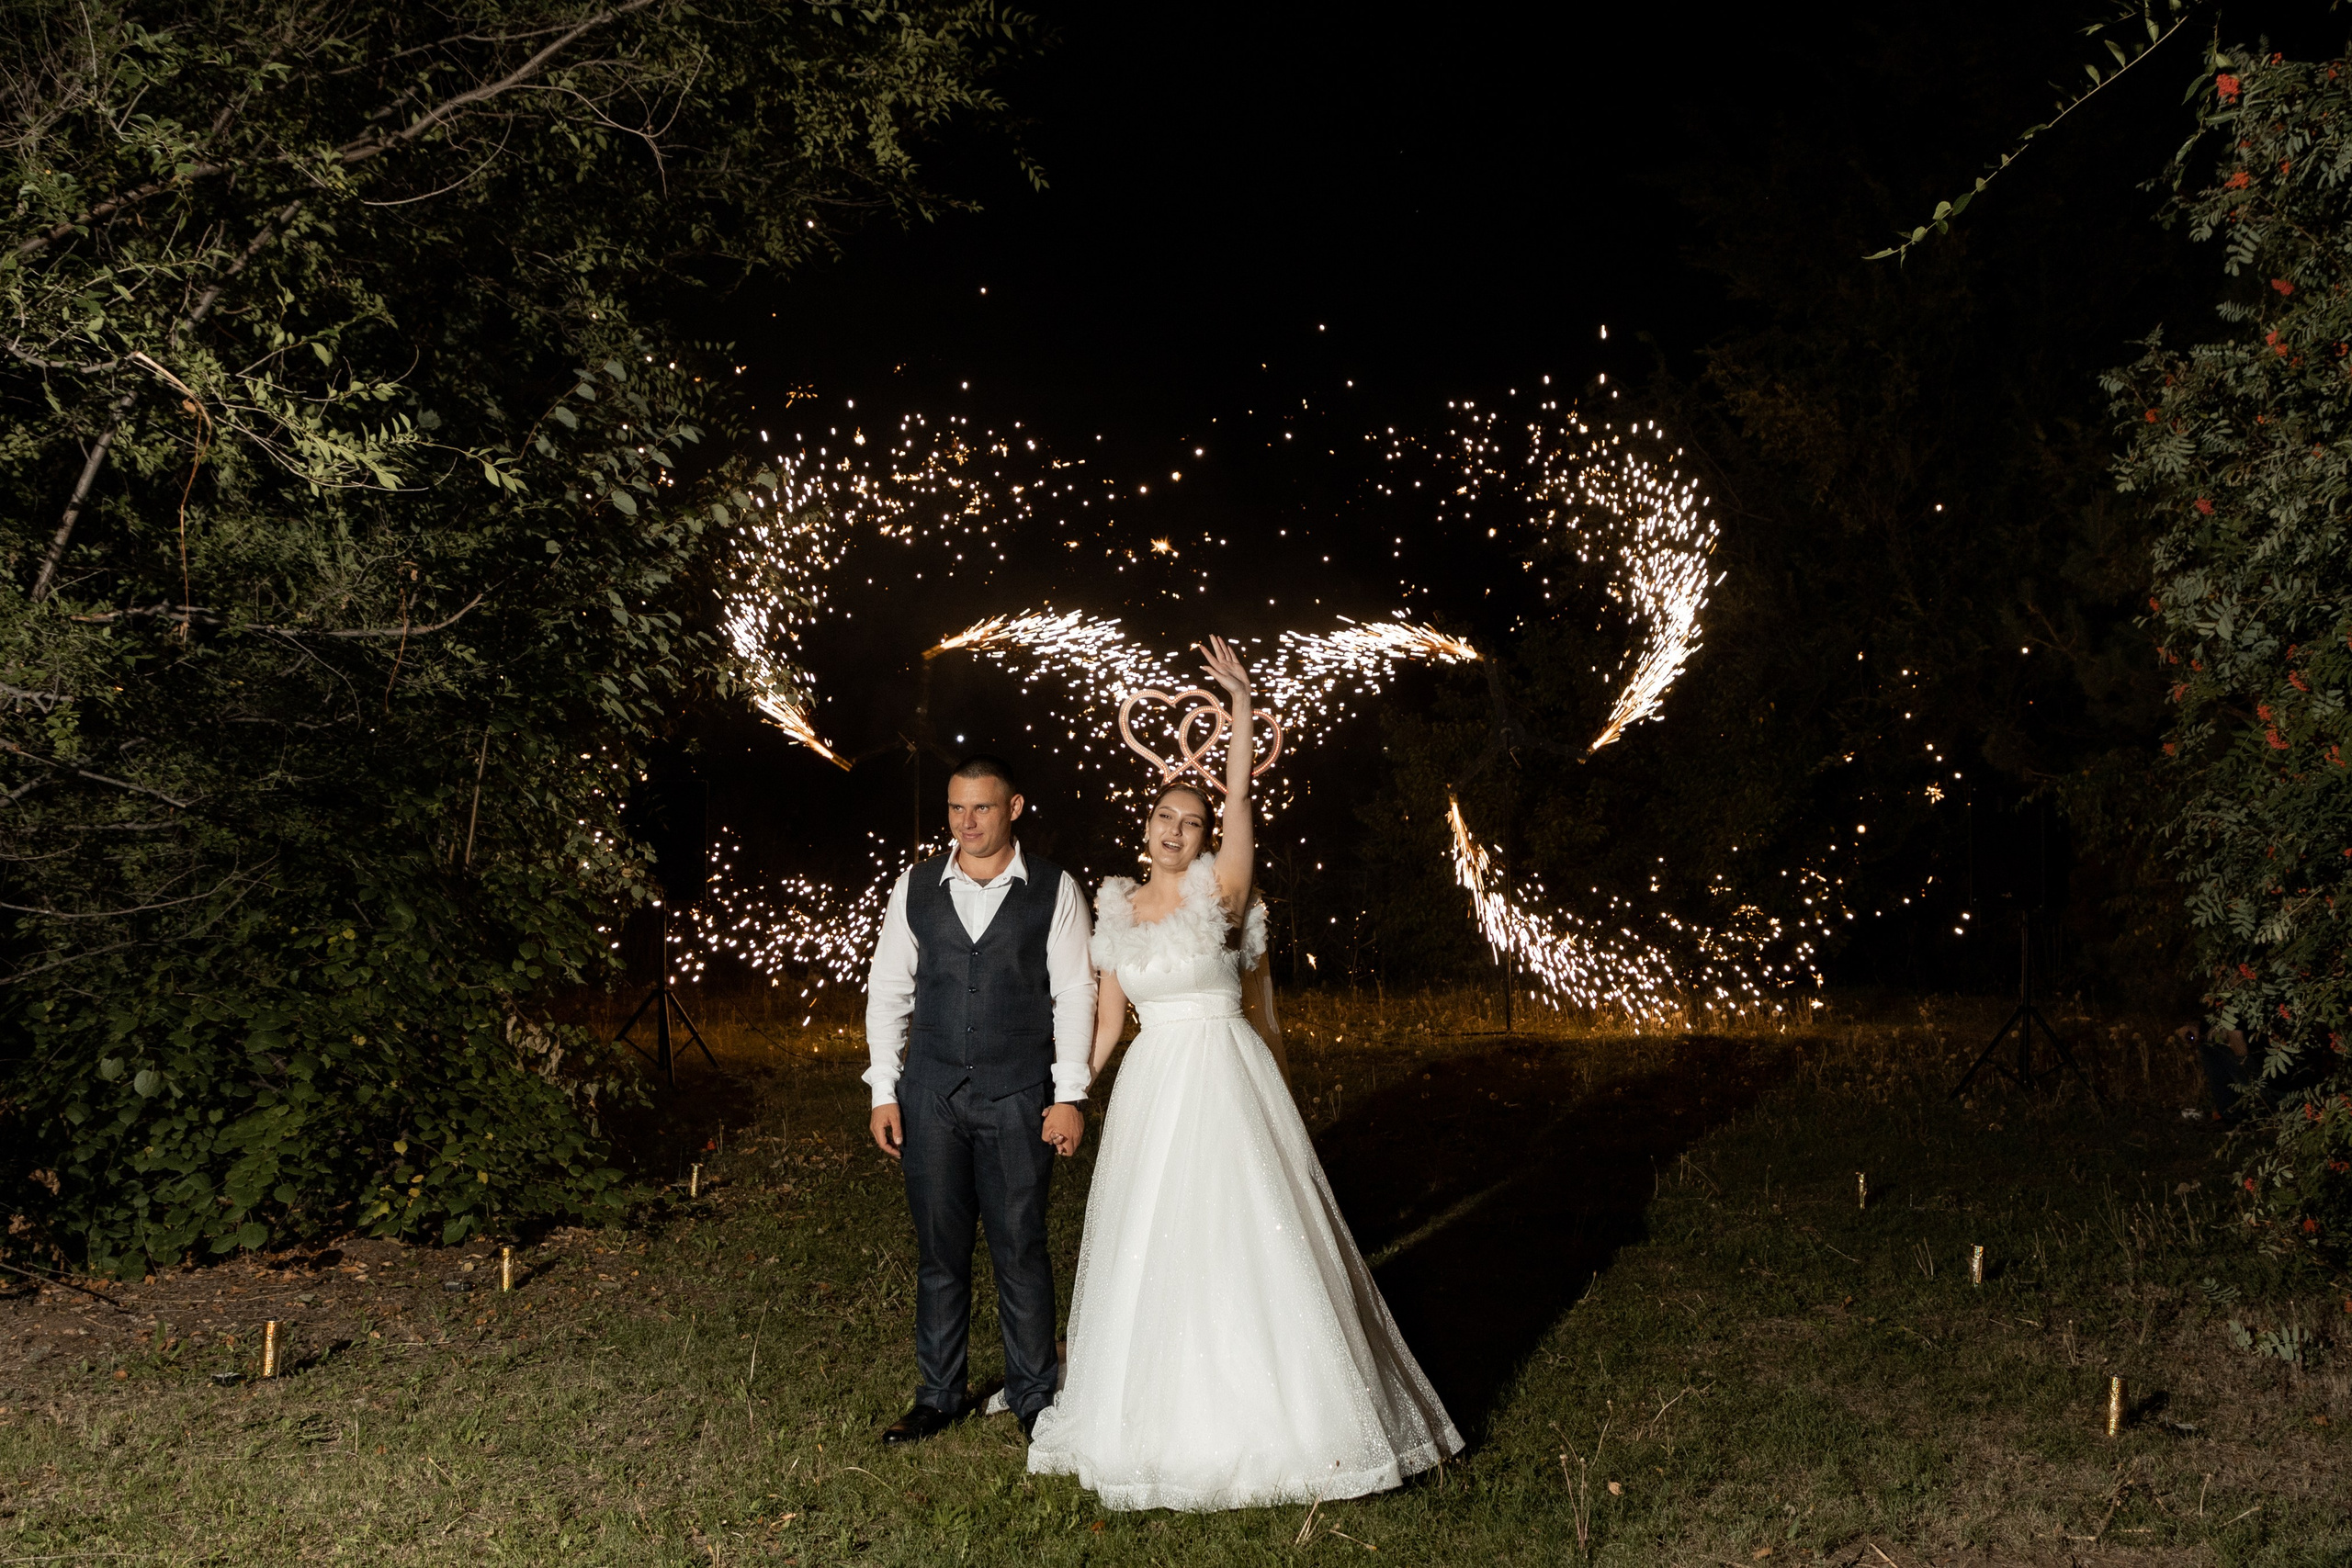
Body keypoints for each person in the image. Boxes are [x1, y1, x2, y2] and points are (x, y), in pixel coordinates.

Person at [1026, 636, 1462, 1510]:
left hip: (1223, 1074)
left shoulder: (1220, 891)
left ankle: (1293, 1422)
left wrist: (1239, 708)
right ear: (1145, 823)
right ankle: (1153, 1414)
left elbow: (1237, 800)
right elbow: (1110, 1019)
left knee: (1249, 1234)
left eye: (1192, 819)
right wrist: (1072, 1089)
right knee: (1156, 1241)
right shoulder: (1113, 905)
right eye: (1166, 815)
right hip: (1154, 1084)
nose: (1178, 827)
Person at [863, 756, 1097, 1443]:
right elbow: (888, 991)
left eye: (982, 808)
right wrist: (884, 1087)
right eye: (956, 808)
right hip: (931, 1093)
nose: (967, 822)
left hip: (1020, 1095)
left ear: (1015, 806)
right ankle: (938, 1393)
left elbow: (1076, 993)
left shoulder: (1054, 889)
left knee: (1020, 1245)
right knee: (940, 1250)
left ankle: (1032, 1396)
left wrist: (1070, 1093)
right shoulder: (915, 887)